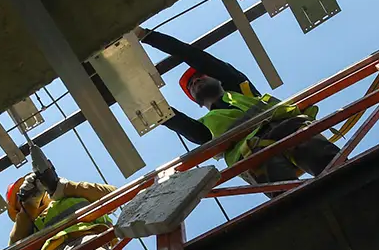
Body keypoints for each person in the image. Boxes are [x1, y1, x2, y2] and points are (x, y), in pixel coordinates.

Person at [135, 27, 339, 190]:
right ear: (196, 100)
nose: (196, 81)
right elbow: (165, 116)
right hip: (253, 155)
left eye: (200, 76)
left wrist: (147, 36)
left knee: (331, 165)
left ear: (216, 78)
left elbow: (194, 56)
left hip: (289, 128)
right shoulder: (205, 128)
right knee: (288, 196)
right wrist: (130, 87)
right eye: (191, 85)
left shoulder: (241, 88)